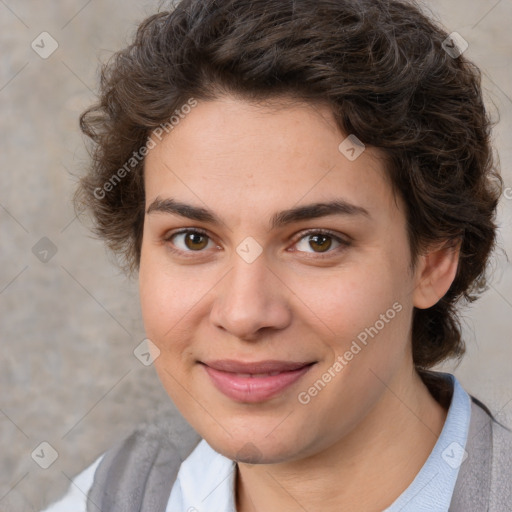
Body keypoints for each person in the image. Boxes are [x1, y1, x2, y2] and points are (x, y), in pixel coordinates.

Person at [42, 0, 512, 510]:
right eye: (193, 239)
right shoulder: (108, 496)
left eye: (318, 241)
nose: (244, 314)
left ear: (434, 260)